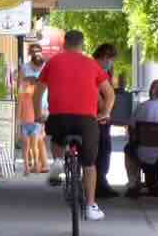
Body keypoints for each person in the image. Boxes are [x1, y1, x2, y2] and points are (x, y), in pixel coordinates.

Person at [37, 29, 114, 222]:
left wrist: (39, 113)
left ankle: (57, 161)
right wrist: (105, 113)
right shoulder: (92, 64)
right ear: (82, 44)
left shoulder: (52, 62)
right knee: (89, 164)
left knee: (56, 135)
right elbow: (109, 94)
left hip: (59, 117)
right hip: (86, 120)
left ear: (64, 43)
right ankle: (90, 206)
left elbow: (38, 92)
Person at [90, 43, 121, 199]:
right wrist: (105, 111)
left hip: (94, 114)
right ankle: (99, 183)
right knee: (103, 149)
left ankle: (99, 181)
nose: (111, 63)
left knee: (100, 149)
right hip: (97, 116)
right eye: (111, 59)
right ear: (105, 56)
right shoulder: (96, 69)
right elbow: (97, 94)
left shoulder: (98, 68)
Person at [16, 74, 47, 174]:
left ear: (33, 86)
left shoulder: (36, 96)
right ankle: (26, 167)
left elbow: (42, 110)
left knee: (34, 147)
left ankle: (36, 164)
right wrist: (17, 122)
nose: (23, 87)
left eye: (26, 85)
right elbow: (19, 109)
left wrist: (42, 127)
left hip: (35, 124)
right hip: (25, 124)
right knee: (25, 147)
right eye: (23, 85)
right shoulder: (22, 96)